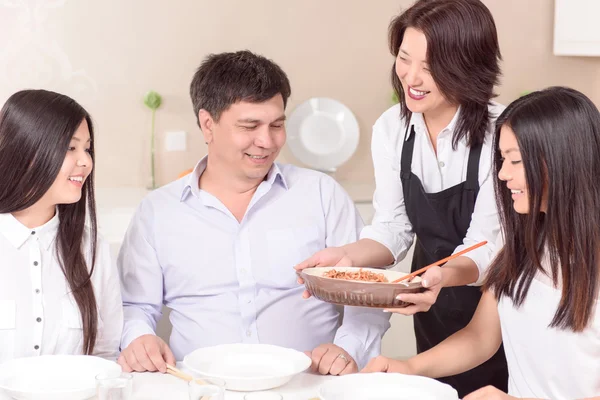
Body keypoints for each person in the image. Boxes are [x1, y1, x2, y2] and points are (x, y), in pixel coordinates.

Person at [117, 50, 391, 375]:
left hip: (310, 386)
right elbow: (133, 305)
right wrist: (139, 338)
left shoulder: (321, 194)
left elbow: (366, 292)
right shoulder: (158, 211)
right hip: (199, 388)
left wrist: (348, 349)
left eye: (277, 124)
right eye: (250, 126)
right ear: (208, 124)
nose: (266, 141)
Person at [296, 0, 508, 395]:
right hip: (431, 305)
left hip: (499, 304)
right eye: (405, 59)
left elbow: (488, 244)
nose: (411, 77)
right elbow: (394, 226)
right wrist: (346, 260)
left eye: (430, 67)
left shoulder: (502, 131)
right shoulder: (392, 129)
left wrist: (442, 276)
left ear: (468, 64)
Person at [363, 86, 600, 400]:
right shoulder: (523, 246)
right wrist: (409, 368)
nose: (502, 174)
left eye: (515, 161)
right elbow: (480, 337)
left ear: (561, 161)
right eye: (502, 159)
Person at [0, 89, 123, 363]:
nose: (86, 161)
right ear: (27, 150)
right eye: (71, 147)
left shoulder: (93, 249)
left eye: (87, 148)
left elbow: (105, 354)